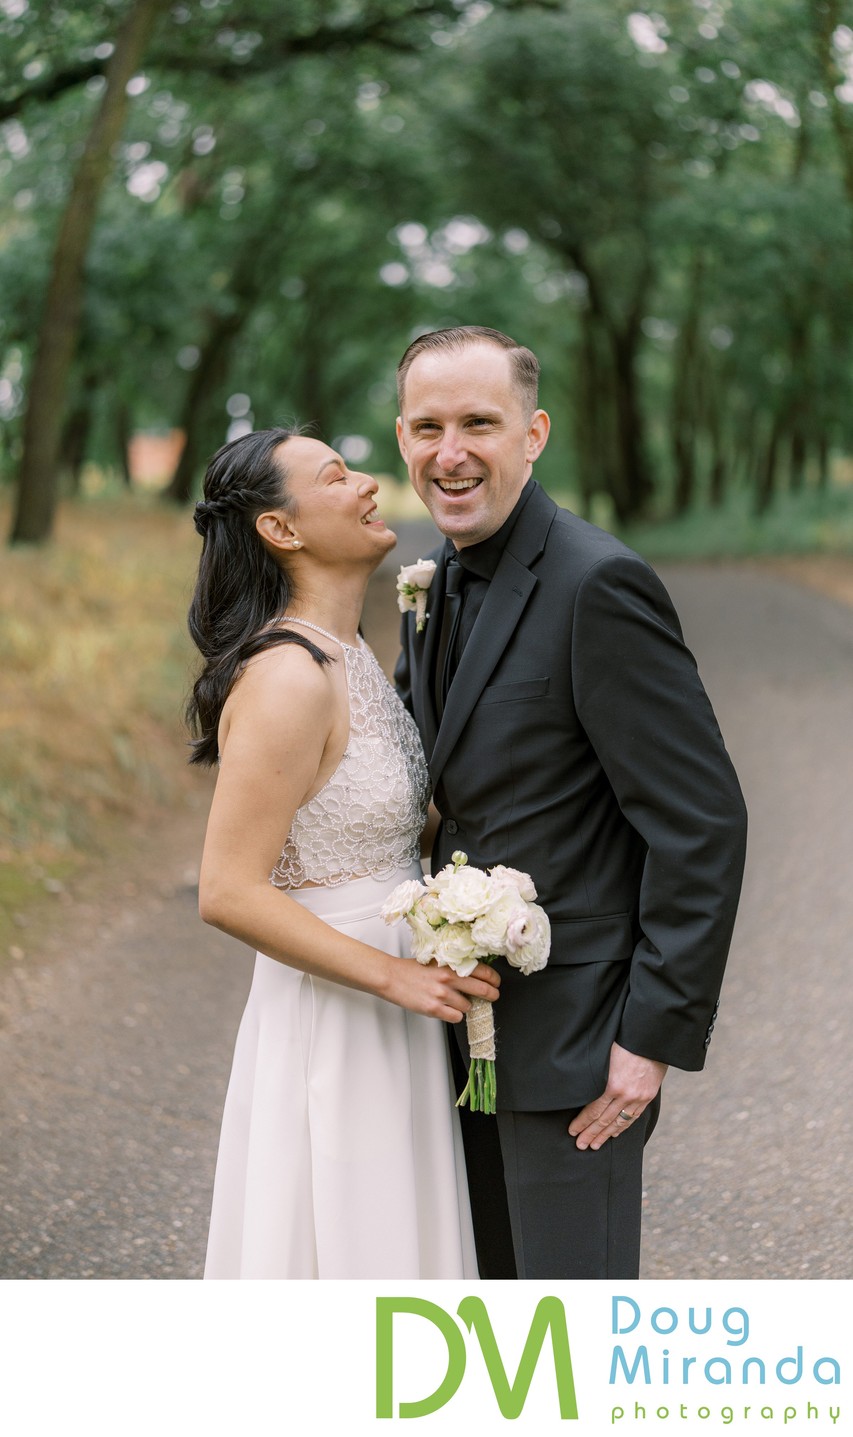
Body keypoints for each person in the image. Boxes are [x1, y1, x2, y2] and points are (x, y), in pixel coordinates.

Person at [394, 325, 748, 1280]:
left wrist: (648, 1037)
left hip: (580, 1043)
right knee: (490, 1324)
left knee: (570, 1331)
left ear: (534, 432)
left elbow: (700, 820)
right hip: (457, 1035)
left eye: (479, 421)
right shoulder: (425, 583)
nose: (450, 451)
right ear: (401, 439)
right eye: (428, 426)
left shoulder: (599, 584)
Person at [187, 425, 499, 1279]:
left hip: (396, 995)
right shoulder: (286, 677)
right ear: (280, 531)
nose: (367, 482)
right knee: (351, 1247)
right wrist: (395, 975)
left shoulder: (352, 651)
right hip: (342, 1012)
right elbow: (227, 889)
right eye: (334, 475)